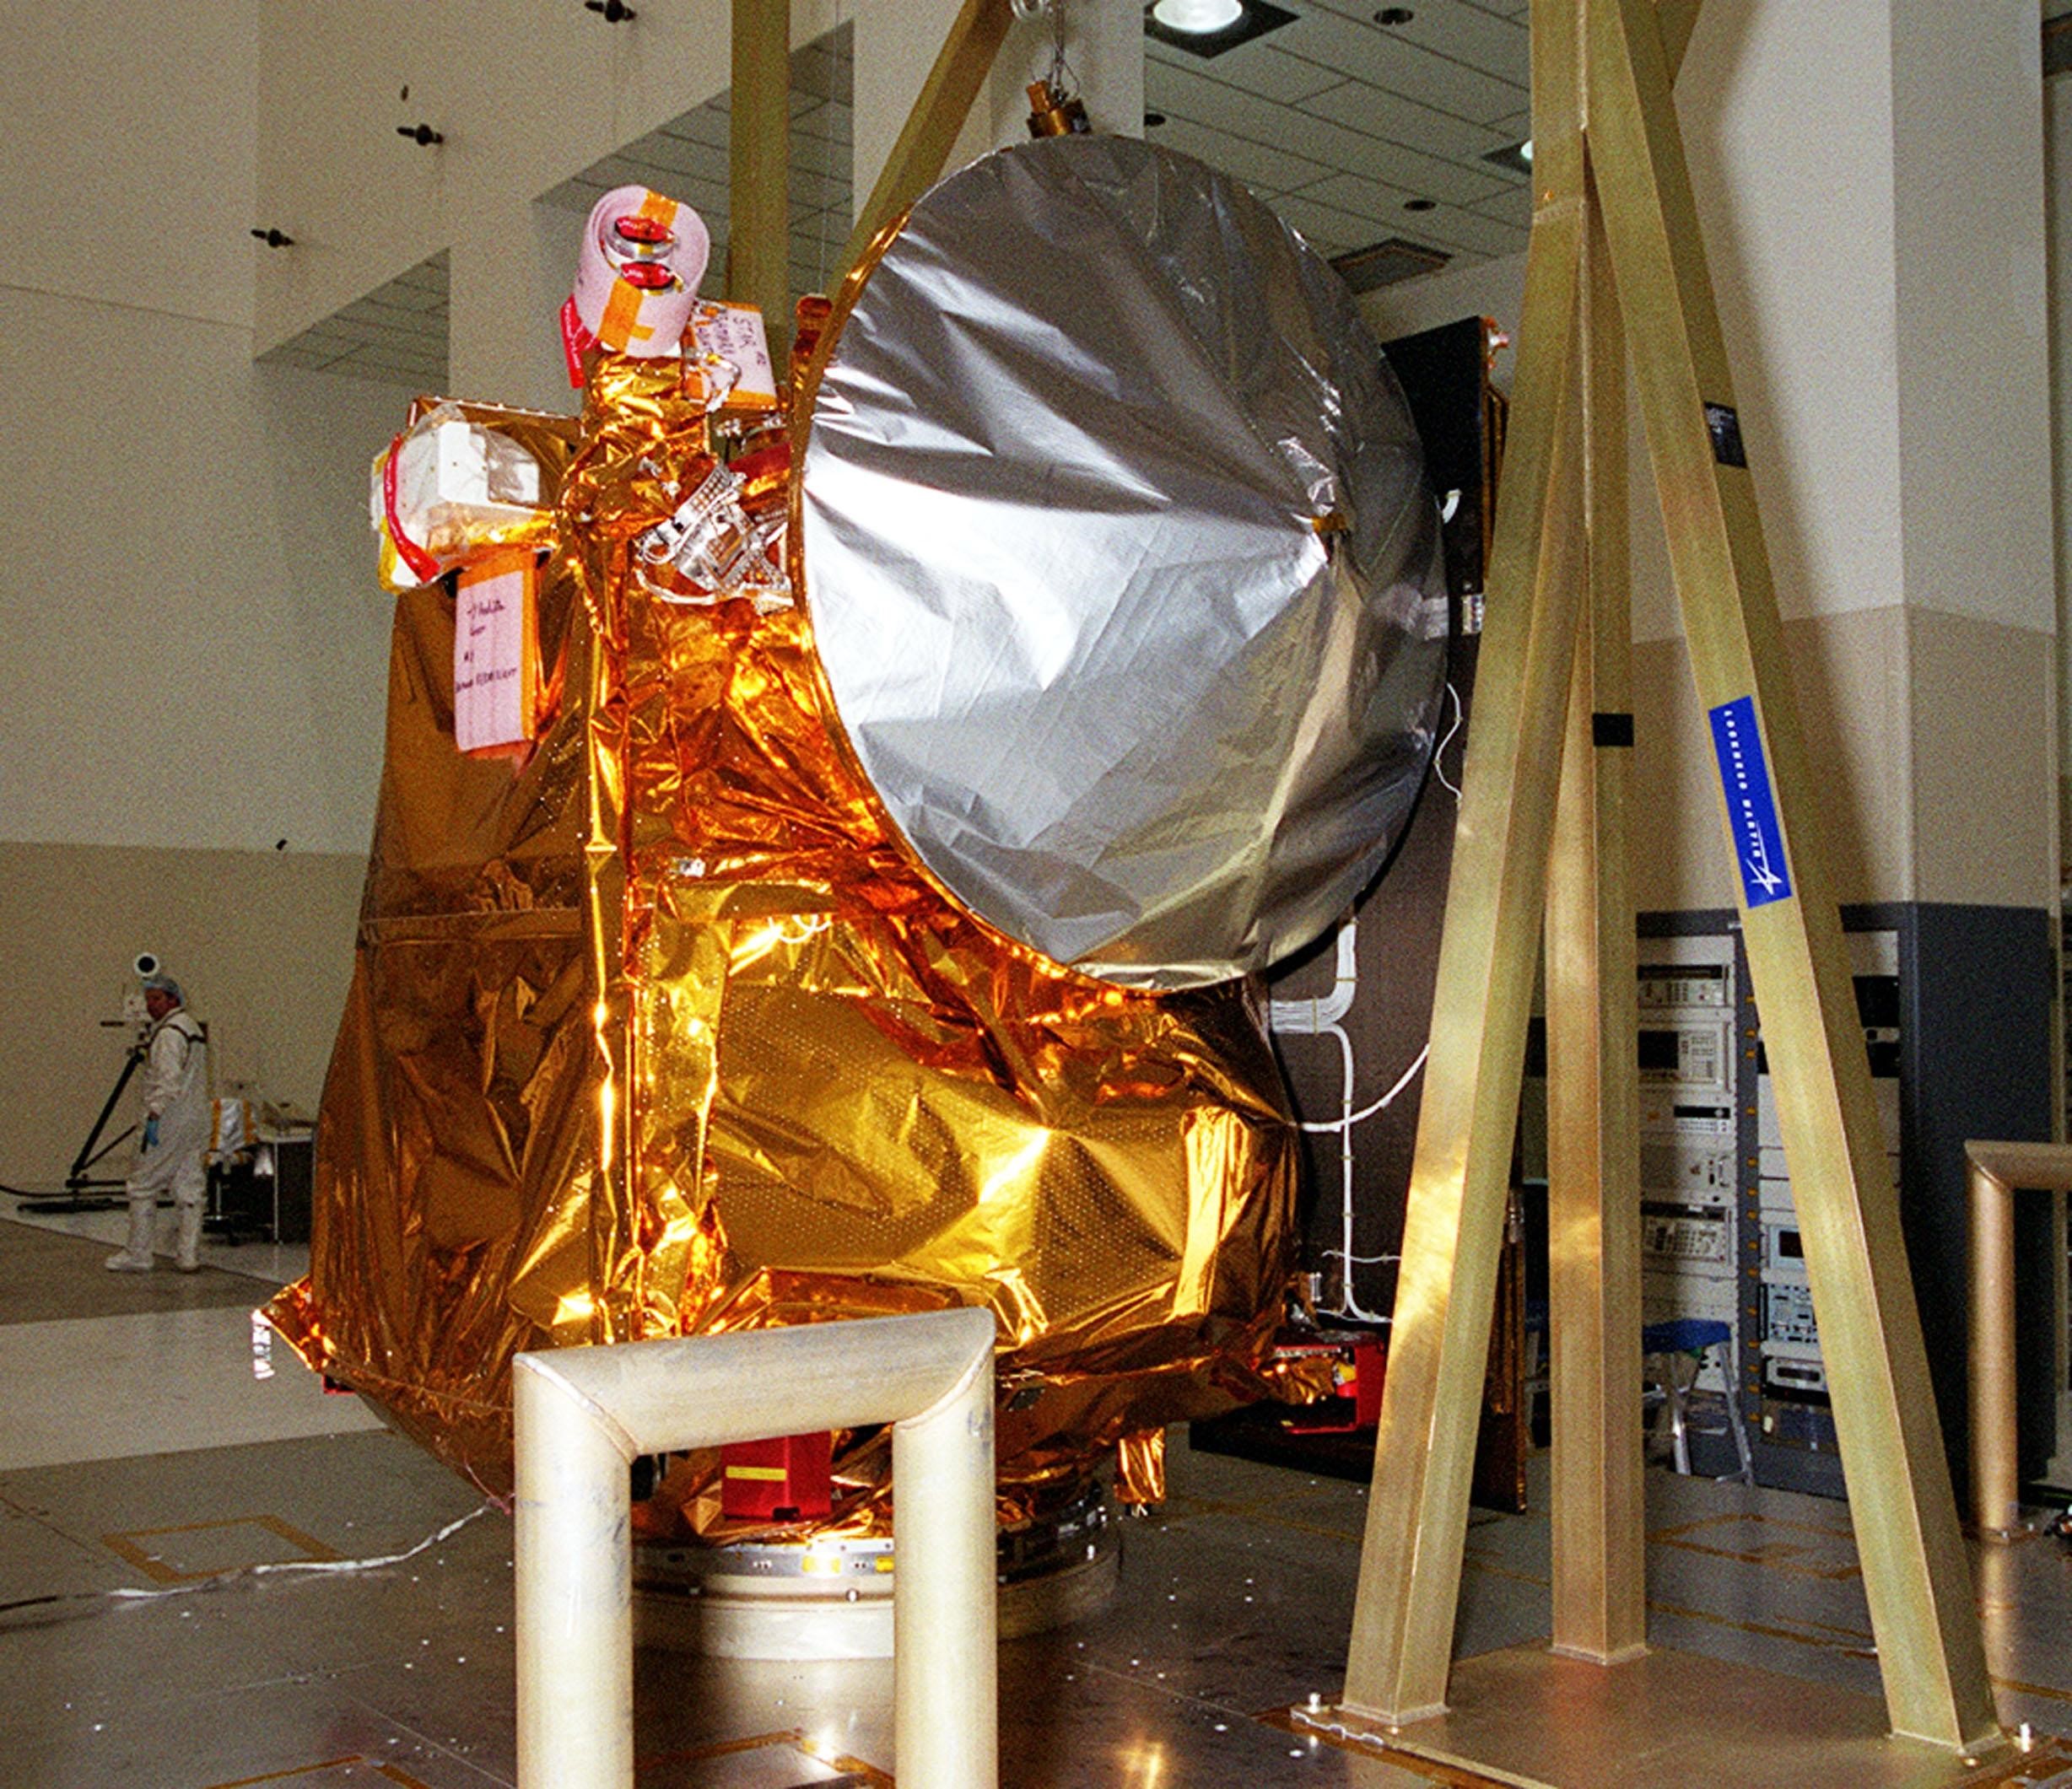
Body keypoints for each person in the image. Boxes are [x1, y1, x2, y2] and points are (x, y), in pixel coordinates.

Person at [105, 974, 209, 1273]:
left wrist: (154, 1112)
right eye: (148, 999)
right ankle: (188, 1255)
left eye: (157, 999)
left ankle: (138, 1253)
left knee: (142, 1185)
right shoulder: (192, 1029)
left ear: (173, 1000)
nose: (151, 1005)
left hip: (170, 1118)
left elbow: (168, 1080)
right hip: (196, 1118)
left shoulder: (168, 1035)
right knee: (189, 1185)